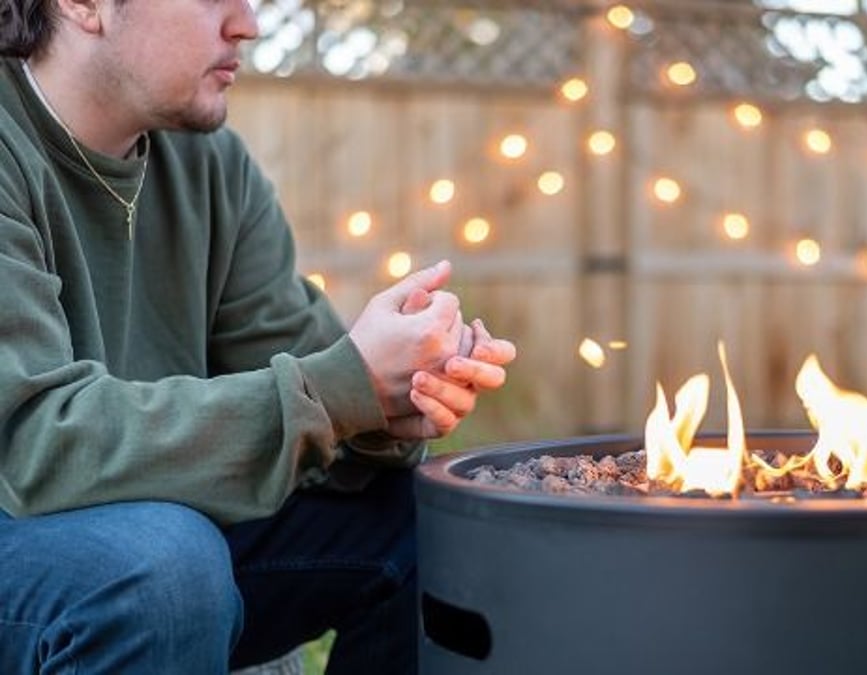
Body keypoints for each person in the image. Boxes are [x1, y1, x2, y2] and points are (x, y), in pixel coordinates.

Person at [0, 0, 516, 673]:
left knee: (445, 520)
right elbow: (36, 441)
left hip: (161, 536)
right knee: (162, 567)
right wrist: (336, 388)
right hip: (38, 541)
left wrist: (393, 399)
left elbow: (307, 367)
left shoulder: (209, 163)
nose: (247, 24)